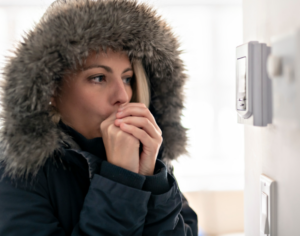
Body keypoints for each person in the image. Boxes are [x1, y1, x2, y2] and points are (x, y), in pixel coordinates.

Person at [0, 0, 198, 235]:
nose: (122, 96)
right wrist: (121, 179)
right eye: (98, 78)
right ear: (51, 89)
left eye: (127, 78)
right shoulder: (15, 169)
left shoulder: (145, 154)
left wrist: (149, 178)